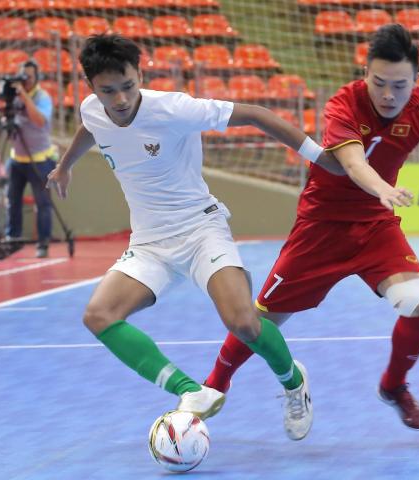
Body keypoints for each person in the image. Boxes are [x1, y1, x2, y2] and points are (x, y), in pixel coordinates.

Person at [203, 24, 419, 430]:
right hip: (321, 226)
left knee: (417, 303)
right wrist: (382, 188)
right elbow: (353, 163)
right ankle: (213, 386)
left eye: (400, 85)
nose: (388, 95)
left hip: (375, 226)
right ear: (365, 72)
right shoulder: (343, 104)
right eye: (379, 82)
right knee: (259, 323)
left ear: (416, 80)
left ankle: (394, 386)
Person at [46, 34, 322, 440]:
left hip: (199, 230)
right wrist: (66, 165)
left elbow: (258, 114)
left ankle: (293, 381)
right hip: (149, 244)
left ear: (140, 74)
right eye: (108, 91)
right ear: (91, 88)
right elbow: (91, 127)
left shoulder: (173, 108)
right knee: (98, 316)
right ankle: (190, 391)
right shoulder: (93, 109)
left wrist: (318, 156)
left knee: (244, 322)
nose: (120, 99)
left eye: (127, 86)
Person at [5, 60, 56, 258]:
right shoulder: (14, 97)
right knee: (12, 201)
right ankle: (13, 238)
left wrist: (24, 96)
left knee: (42, 203)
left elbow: (39, 120)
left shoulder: (43, 97)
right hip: (17, 158)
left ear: (36, 78)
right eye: (22, 76)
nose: (25, 81)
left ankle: (43, 243)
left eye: (29, 77)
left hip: (40, 159)